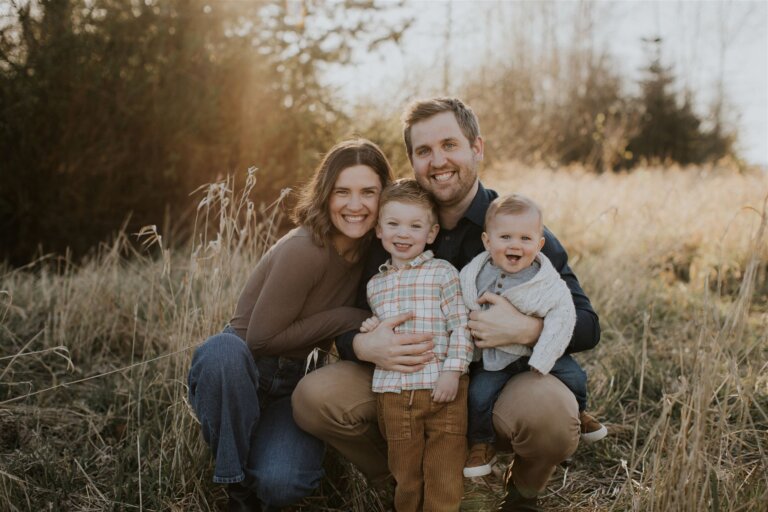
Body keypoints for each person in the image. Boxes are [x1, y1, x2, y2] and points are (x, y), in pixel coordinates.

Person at [292, 97, 600, 511]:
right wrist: (361, 345)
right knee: (315, 397)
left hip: (497, 382)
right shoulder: (393, 226)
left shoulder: (513, 228)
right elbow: (347, 312)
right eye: (424, 151)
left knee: (551, 419)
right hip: (407, 381)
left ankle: (522, 491)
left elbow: (587, 325)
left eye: (449, 145)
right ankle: (403, 482)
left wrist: (525, 329)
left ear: (476, 148)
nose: (438, 161)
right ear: (412, 161)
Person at [187, 139, 393, 511]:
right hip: (241, 372)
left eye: (368, 192)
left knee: (283, 484)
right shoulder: (307, 248)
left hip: (294, 384)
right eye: (342, 191)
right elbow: (262, 339)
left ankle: (259, 466)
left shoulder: (371, 253)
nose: (355, 205)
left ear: (384, 197)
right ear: (325, 194)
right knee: (223, 352)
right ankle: (237, 490)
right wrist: (348, 317)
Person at [460, 193, 606, 479]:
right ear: (487, 242)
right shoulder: (475, 273)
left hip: (537, 352)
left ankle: (580, 411)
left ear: (540, 245)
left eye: (525, 239)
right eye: (505, 238)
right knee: (479, 394)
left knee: (575, 376)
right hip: (496, 357)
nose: (515, 245)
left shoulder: (544, 279)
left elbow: (567, 313)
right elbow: (463, 302)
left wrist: (537, 335)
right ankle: (481, 442)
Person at [360, 179, 473, 511]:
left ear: (432, 233)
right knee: (405, 476)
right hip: (394, 396)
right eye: (393, 224)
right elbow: (381, 331)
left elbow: (460, 326)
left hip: (443, 392)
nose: (403, 233)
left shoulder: (443, 273)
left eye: (415, 225)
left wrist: (453, 371)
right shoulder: (375, 285)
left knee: (444, 474)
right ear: (379, 230)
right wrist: (371, 328)